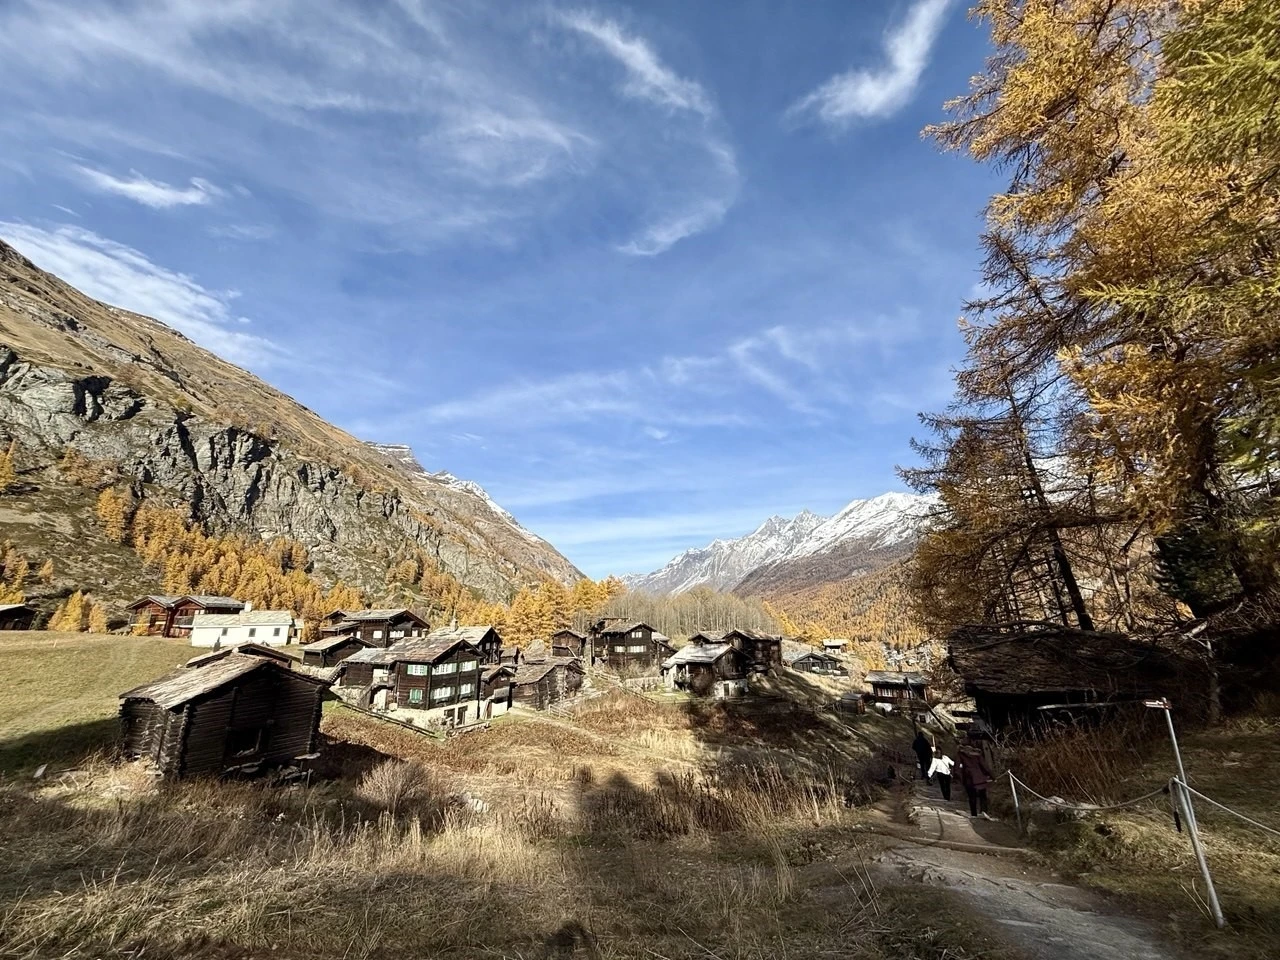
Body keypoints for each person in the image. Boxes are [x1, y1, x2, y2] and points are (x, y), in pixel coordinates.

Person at [956, 736, 996, 820]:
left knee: (972, 797)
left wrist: (960, 778)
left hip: (969, 778)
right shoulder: (977, 753)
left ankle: (974, 814)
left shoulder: (961, 754)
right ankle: (984, 812)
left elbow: (957, 768)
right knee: (983, 796)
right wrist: (993, 776)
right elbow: (985, 766)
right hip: (980, 777)